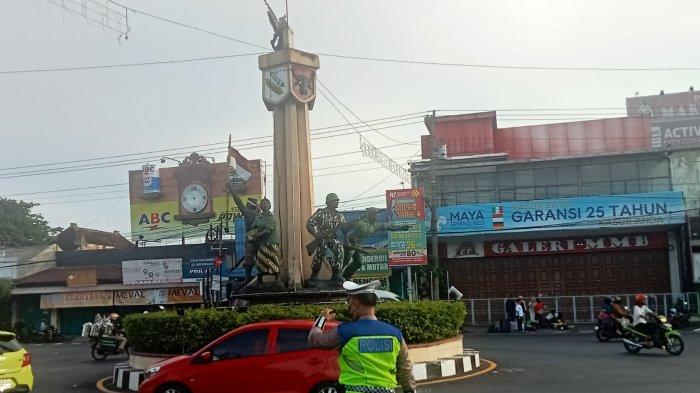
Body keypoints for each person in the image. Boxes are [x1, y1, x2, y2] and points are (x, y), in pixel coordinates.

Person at [308, 280, 416, 393]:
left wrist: (322, 319)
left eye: (348, 304)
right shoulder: (395, 333)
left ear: (355, 305)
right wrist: (410, 390)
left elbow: (314, 339)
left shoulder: (346, 332)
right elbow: (405, 368)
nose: (348, 308)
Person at [341, 207, 410, 280]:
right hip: (350, 242)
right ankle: (336, 276)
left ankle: (345, 276)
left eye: (377, 214)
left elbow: (388, 226)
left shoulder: (376, 225)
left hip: (358, 244)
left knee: (359, 262)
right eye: (375, 214)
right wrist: (346, 240)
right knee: (345, 261)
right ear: (370, 215)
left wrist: (401, 227)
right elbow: (345, 228)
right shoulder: (360, 222)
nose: (377, 216)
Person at [306, 193, 347, 282]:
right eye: (335, 201)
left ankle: (336, 275)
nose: (337, 202)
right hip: (322, 239)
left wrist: (346, 240)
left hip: (333, 239)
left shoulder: (340, 216)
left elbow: (344, 229)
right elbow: (309, 224)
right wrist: (316, 235)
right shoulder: (320, 212)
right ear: (329, 202)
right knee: (320, 254)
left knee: (340, 249)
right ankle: (314, 275)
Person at [226, 183, 261, 283]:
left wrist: (231, 189)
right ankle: (258, 276)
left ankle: (247, 278)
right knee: (259, 259)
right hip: (260, 239)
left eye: (247, 204)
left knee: (249, 260)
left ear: (249, 205)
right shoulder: (259, 215)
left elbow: (238, 202)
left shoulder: (248, 213)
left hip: (251, 240)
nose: (245, 205)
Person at [248, 198, 281, 285]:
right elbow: (253, 226)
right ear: (261, 206)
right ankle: (260, 279)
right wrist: (253, 234)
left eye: (267, 203)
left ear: (269, 205)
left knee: (273, 258)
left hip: (271, 241)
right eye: (264, 203)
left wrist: (258, 235)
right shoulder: (258, 217)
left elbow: (269, 229)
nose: (265, 205)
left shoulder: (271, 217)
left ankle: (277, 279)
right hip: (262, 242)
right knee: (260, 259)